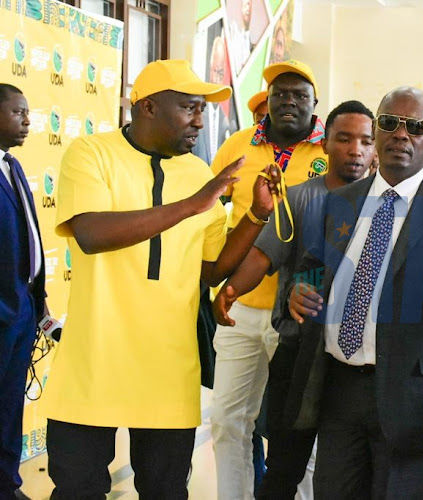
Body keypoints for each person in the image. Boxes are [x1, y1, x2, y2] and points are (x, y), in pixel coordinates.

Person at [40, 59, 280, 499]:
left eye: (201, 110)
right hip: (93, 363)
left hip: (169, 369)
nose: (199, 121)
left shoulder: (195, 173)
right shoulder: (91, 153)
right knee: (77, 489)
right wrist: (191, 205)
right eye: (189, 108)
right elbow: (91, 234)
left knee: (166, 490)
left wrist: (256, 216)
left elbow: (211, 268)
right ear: (148, 107)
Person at [286, 86, 423, 499]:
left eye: (416, 126)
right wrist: (299, 291)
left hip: (415, 401)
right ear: (377, 131)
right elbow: (312, 270)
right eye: (390, 124)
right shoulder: (339, 203)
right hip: (338, 391)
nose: (401, 135)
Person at [213, 100, 377, 500]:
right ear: (325, 145)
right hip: (299, 347)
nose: (355, 149)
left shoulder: (385, 204)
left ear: (376, 149)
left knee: (333, 464)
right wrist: (232, 290)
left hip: (353, 361)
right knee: (285, 456)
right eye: (344, 139)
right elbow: (264, 255)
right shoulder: (302, 197)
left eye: (365, 141)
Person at [210, 59, 327, 500]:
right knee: (227, 418)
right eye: (281, 94)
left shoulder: (329, 150)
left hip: (299, 313)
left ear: (315, 103)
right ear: (268, 102)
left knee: (297, 426)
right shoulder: (237, 146)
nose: (289, 102)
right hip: (239, 305)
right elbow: (209, 207)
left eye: (300, 95)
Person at [0, 84, 44, 500]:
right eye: (18, 112)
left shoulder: (11, 167)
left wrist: (39, 303)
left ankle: (7, 484)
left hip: (22, 310)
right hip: (2, 313)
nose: (27, 121)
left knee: (11, 406)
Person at [193, 35, 235, 165]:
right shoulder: (196, 113)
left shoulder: (225, 121)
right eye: (216, 71)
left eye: (221, 73)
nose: (217, 77)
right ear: (210, 71)